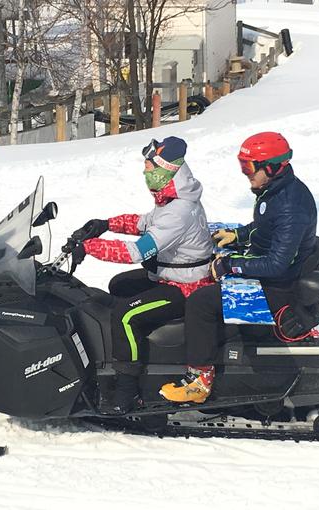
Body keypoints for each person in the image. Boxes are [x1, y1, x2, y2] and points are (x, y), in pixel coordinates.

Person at [159, 131, 318, 404]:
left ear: (272, 166)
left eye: (249, 167)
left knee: (200, 302)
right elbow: (267, 229)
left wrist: (231, 265)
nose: (246, 173)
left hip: (278, 288)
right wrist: (238, 236)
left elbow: (277, 263)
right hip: (273, 275)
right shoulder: (276, 190)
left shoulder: (291, 205)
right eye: (242, 166)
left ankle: (199, 379)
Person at [65, 135, 214, 414]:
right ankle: (143, 353)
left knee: (125, 314)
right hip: (170, 276)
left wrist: (89, 247)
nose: (145, 174)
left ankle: (127, 390)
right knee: (119, 285)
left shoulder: (178, 212)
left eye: (148, 169)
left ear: (164, 172)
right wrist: (106, 224)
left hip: (186, 287)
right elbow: (143, 223)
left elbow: (138, 251)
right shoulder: (171, 201)